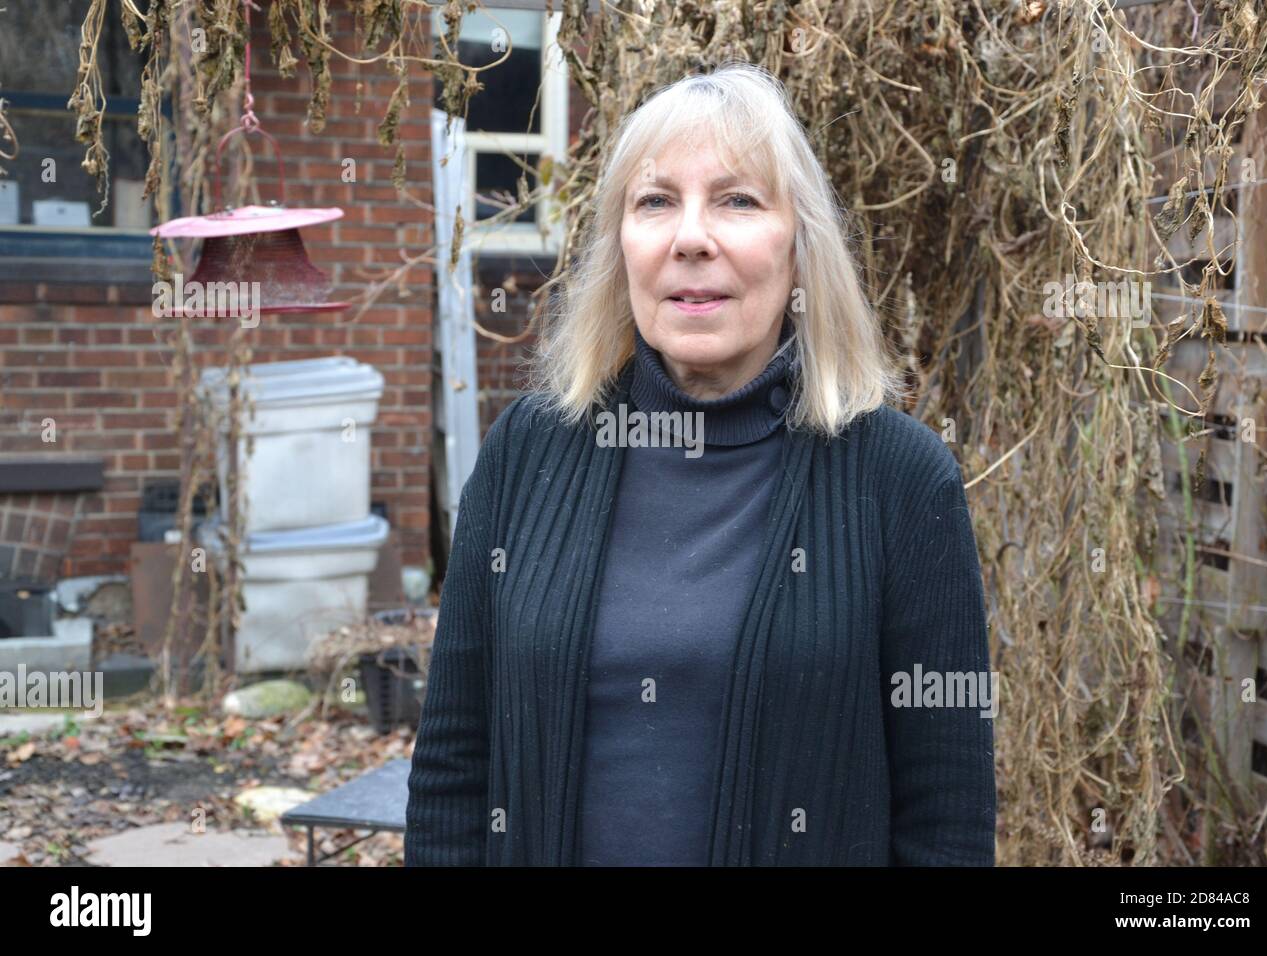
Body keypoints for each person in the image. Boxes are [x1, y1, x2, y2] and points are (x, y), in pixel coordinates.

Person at [405, 61, 996, 866]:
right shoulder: (527, 454)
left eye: (737, 200)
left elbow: (947, 820)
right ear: (622, 248)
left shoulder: (898, 479)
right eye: (655, 202)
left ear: (800, 249)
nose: (690, 237)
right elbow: (452, 770)